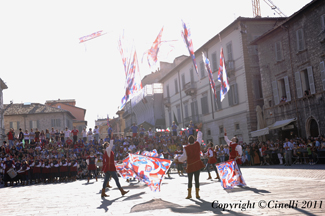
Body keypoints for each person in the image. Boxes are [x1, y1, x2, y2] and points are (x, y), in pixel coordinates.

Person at [175, 124, 205, 199]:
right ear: (194, 140)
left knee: (190, 180)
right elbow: (199, 137)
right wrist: (199, 129)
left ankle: (189, 194)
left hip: (191, 166)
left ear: (188, 141)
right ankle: (197, 194)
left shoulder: (186, 148)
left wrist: (177, 159)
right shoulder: (197, 144)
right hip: (197, 164)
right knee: (197, 180)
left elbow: (183, 158)